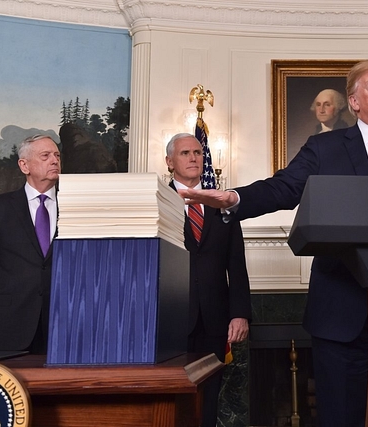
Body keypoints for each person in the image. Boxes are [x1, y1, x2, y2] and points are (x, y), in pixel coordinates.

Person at [178, 58, 368, 427]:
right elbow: (283, 187)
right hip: (342, 308)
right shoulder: (325, 147)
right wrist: (235, 198)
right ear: (355, 101)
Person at [165, 133, 251, 427]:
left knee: (210, 397)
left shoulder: (222, 203)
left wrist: (239, 313)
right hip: (170, 318)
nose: (193, 158)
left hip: (215, 319)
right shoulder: (158, 202)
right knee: (172, 399)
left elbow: (236, 264)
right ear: (169, 162)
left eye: (198, 152)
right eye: (185, 153)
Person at [0, 134, 60, 354]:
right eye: (45, 156)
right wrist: (8, 292)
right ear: (24, 165)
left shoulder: (74, 207)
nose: (54, 160)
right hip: (10, 325)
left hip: (63, 324)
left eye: (57, 155)